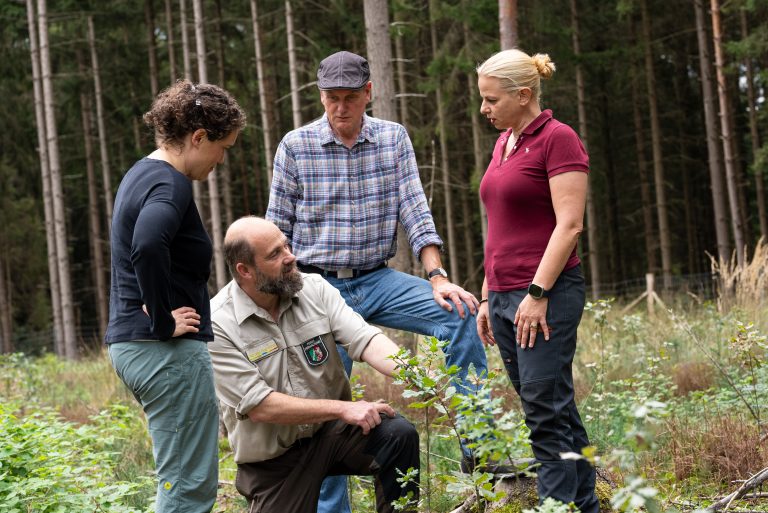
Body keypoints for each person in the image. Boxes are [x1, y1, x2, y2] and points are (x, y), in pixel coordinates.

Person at [266, 50, 490, 512]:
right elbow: (276, 231)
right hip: (316, 289)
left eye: (350, 97)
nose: (340, 108)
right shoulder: (295, 145)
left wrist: (437, 276)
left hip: (377, 279)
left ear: (369, 93)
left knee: (461, 314)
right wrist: (281, 299)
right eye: (331, 98)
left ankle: (481, 449)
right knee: (327, 404)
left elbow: (415, 209)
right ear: (320, 95)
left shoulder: (392, 139)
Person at [208, 216, 420, 513]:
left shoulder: (314, 288)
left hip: (331, 434)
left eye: (286, 245)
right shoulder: (218, 324)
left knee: (397, 435)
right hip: (273, 463)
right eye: (275, 254)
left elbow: (365, 338)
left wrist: (417, 374)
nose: (290, 257)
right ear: (245, 270)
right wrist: (345, 408)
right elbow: (260, 405)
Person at [105, 80, 246, 513]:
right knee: (189, 488)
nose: (222, 159)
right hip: (163, 351)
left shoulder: (139, 173)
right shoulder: (171, 185)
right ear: (198, 138)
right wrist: (163, 318)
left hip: (137, 347)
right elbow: (147, 245)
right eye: (222, 147)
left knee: (178, 482)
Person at [475, 49, 599, 513]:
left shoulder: (558, 138)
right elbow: (501, 226)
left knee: (543, 414)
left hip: (546, 295)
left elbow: (569, 225)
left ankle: (556, 508)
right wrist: (488, 295)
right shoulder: (504, 142)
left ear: (522, 94)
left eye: (491, 99)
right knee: (554, 407)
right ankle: (585, 506)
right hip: (505, 298)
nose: (484, 109)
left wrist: (537, 294)